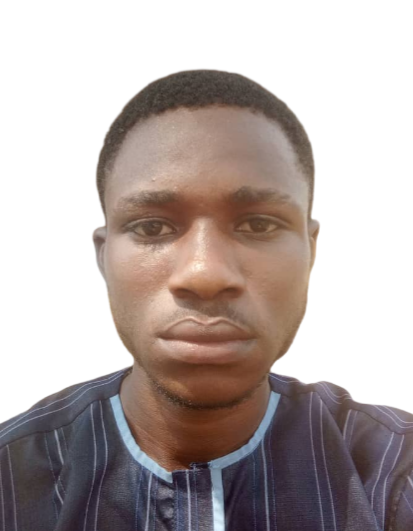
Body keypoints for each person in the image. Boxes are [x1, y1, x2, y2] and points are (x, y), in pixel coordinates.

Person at [0, 70, 412, 531]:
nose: (205, 273)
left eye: (258, 225)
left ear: (310, 251)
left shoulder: (393, 470)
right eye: (152, 227)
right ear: (104, 256)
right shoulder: (11, 477)